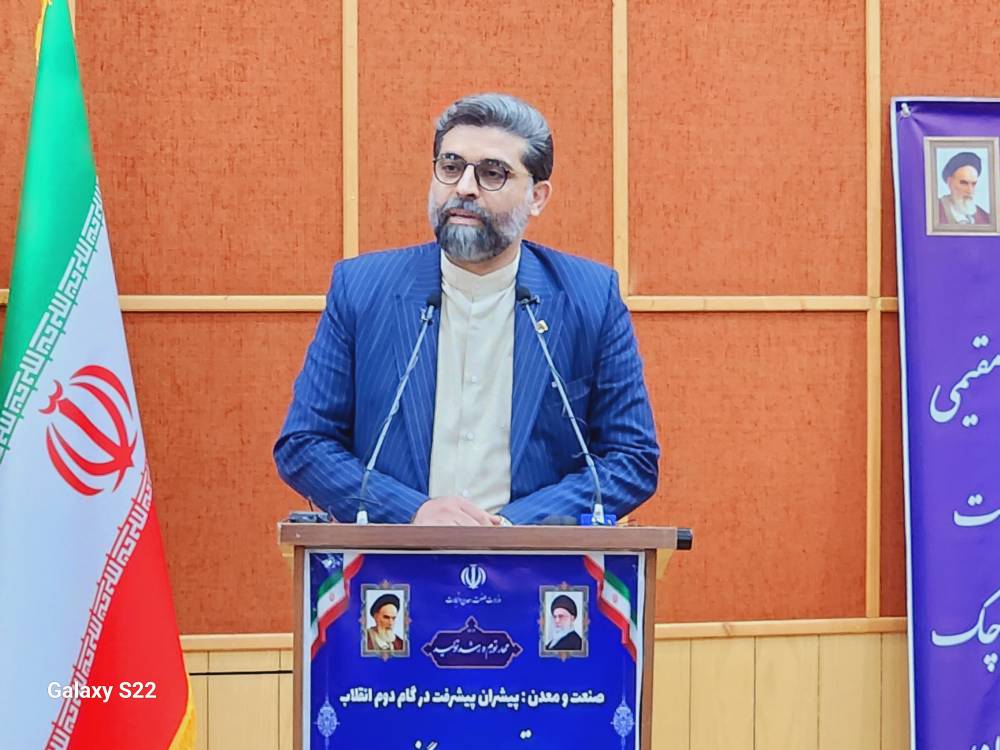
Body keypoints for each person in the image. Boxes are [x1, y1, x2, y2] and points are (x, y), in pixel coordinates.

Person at [274, 92, 659, 525]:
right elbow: (304, 444)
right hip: (393, 560)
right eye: (451, 167)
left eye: (493, 173)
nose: (464, 188)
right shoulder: (362, 290)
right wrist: (412, 513)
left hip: (536, 560)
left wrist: (517, 527)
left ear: (537, 196)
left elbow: (632, 458)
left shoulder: (589, 297)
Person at [938, 151, 991, 225]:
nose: (970, 190)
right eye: (964, 183)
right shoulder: (935, 211)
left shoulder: (985, 218)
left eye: (973, 184)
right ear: (950, 183)